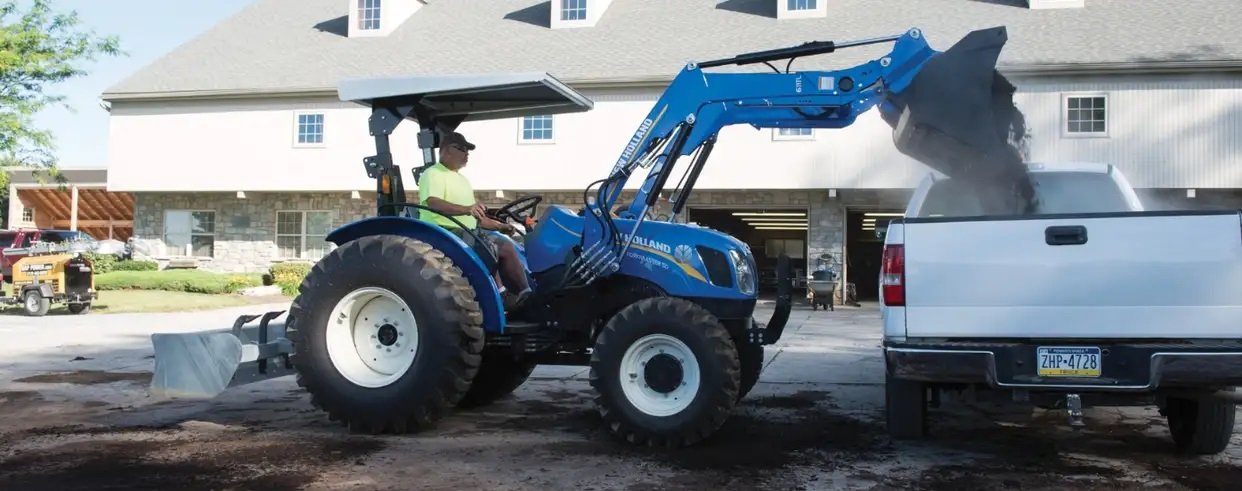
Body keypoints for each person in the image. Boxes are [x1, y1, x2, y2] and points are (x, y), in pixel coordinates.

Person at [418, 131, 532, 307]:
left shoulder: (462, 180)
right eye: (462, 149)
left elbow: (475, 218)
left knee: (506, 245)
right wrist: (466, 209)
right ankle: (501, 297)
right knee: (485, 244)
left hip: (466, 231)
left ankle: (526, 293)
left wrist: (500, 226)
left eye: (467, 150)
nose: (467, 154)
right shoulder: (433, 174)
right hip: (442, 231)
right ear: (447, 150)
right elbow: (434, 203)